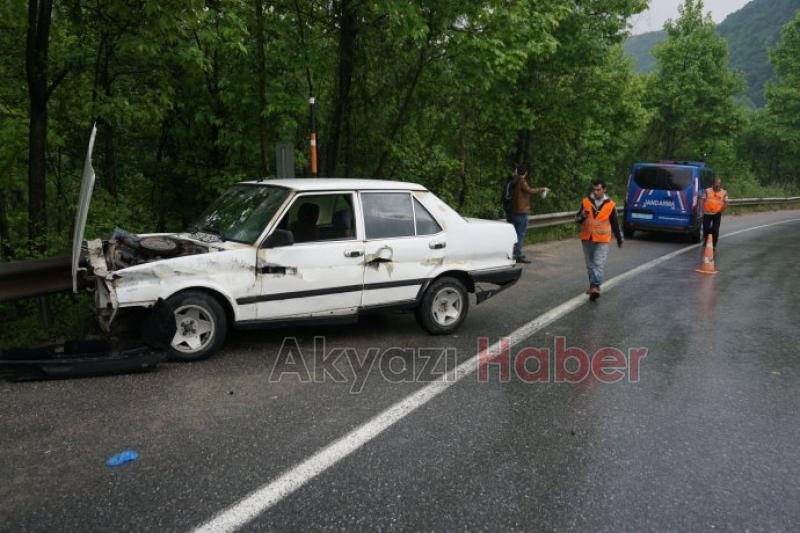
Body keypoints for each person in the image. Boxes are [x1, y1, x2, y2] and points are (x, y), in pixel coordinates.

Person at [575, 179, 623, 300]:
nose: (596, 192)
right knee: (590, 265)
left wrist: (619, 238)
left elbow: (615, 223)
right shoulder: (586, 201)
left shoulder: (610, 204)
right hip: (587, 238)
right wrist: (583, 216)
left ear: (604, 189)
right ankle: (593, 285)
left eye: (598, 189)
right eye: (594, 189)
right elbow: (577, 219)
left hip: (602, 239)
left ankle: (595, 286)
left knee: (598, 263)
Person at [507, 164, 549, 264]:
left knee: (515, 234)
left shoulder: (513, 181)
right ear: (526, 172)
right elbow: (529, 191)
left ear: (517, 171)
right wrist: (541, 189)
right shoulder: (521, 181)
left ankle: (513, 253)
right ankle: (518, 255)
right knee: (520, 234)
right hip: (521, 212)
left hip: (514, 211)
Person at [702, 177, 728, 249]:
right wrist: (702, 209)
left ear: (720, 184)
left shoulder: (724, 192)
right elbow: (702, 200)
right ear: (713, 183)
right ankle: (706, 241)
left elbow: (726, 203)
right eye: (716, 183)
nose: (717, 185)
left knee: (715, 230)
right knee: (706, 228)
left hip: (717, 213)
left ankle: (714, 244)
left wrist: (721, 210)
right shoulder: (707, 191)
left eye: (719, 183)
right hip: (707, 213)